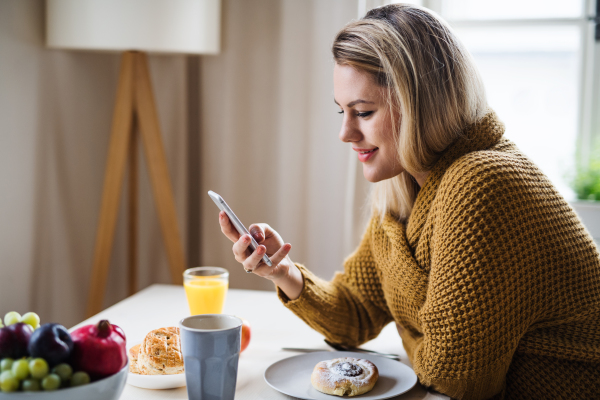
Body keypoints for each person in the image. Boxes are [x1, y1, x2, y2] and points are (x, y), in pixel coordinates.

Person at [218, 4, 600, 399]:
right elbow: (356, 312)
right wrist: (282, 271)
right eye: (342, 112)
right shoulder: (405, 186)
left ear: (420, 104)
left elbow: (458, 379)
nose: (345, 133)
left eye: (363, 112)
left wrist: (406, 350)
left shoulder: (482, 184)